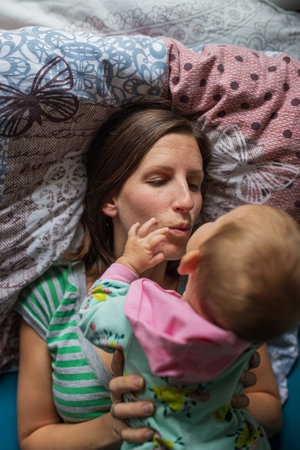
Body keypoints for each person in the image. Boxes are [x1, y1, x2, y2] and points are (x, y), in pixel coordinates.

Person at [15, 98, 281, 450]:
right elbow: (33, 439)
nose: (187, 201)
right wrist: (117, 425)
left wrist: (214, 408)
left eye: (196, 184)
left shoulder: (223, 284)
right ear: (110, 198)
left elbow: (270, 408)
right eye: (159, 180)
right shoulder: (51, 296)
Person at [79, 205, 300, 449]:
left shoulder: (141, 315)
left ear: (191, 263)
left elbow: (92, 313)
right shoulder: (247, 334)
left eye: (221, 221)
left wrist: (127, 264)